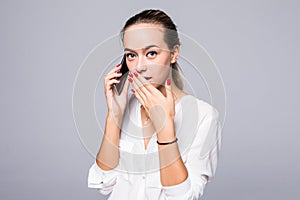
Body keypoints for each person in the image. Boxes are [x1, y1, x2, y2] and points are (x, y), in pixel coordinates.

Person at [88, 9, 221, 200]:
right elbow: (103, 182)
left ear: (174, 53)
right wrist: (114, 116)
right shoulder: (126, 107)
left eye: (151, 53)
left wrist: (165, 127)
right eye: (131, 55)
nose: (140, 66)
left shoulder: (204, 116)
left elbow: (182, 197)